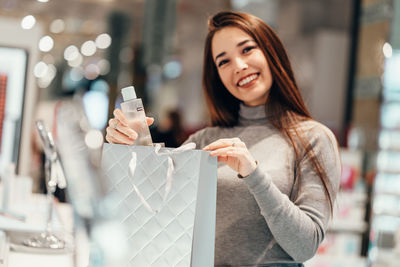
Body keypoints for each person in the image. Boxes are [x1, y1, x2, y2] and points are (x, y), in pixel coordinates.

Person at [105, 11, 340, 267]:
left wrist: (254, 174)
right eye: (223, 61)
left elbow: (305, 246)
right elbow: (154, 209)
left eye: (247, 49)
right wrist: (127, 149)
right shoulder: (204, 139)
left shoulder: (313, 138)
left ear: (272, 52)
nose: (238, 66)